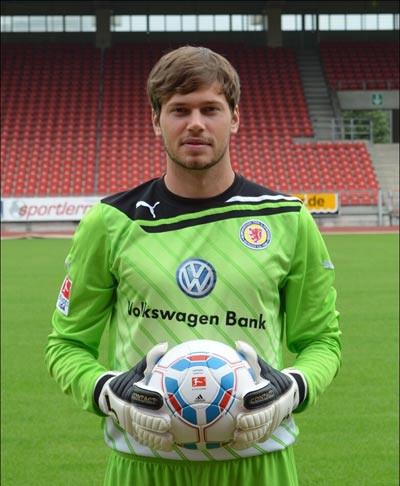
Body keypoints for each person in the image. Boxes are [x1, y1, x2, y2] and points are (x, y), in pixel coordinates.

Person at [45, 45, 341, 486]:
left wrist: (294, 387)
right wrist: (107, 392)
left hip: (259, 464)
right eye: (180, 110)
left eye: (210, 109)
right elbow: (66, 345)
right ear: (156, 120)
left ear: (235, 118)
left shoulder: (287, 220)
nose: (196, 123)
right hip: (143, 463)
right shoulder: (111, 222)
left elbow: (322, 341)